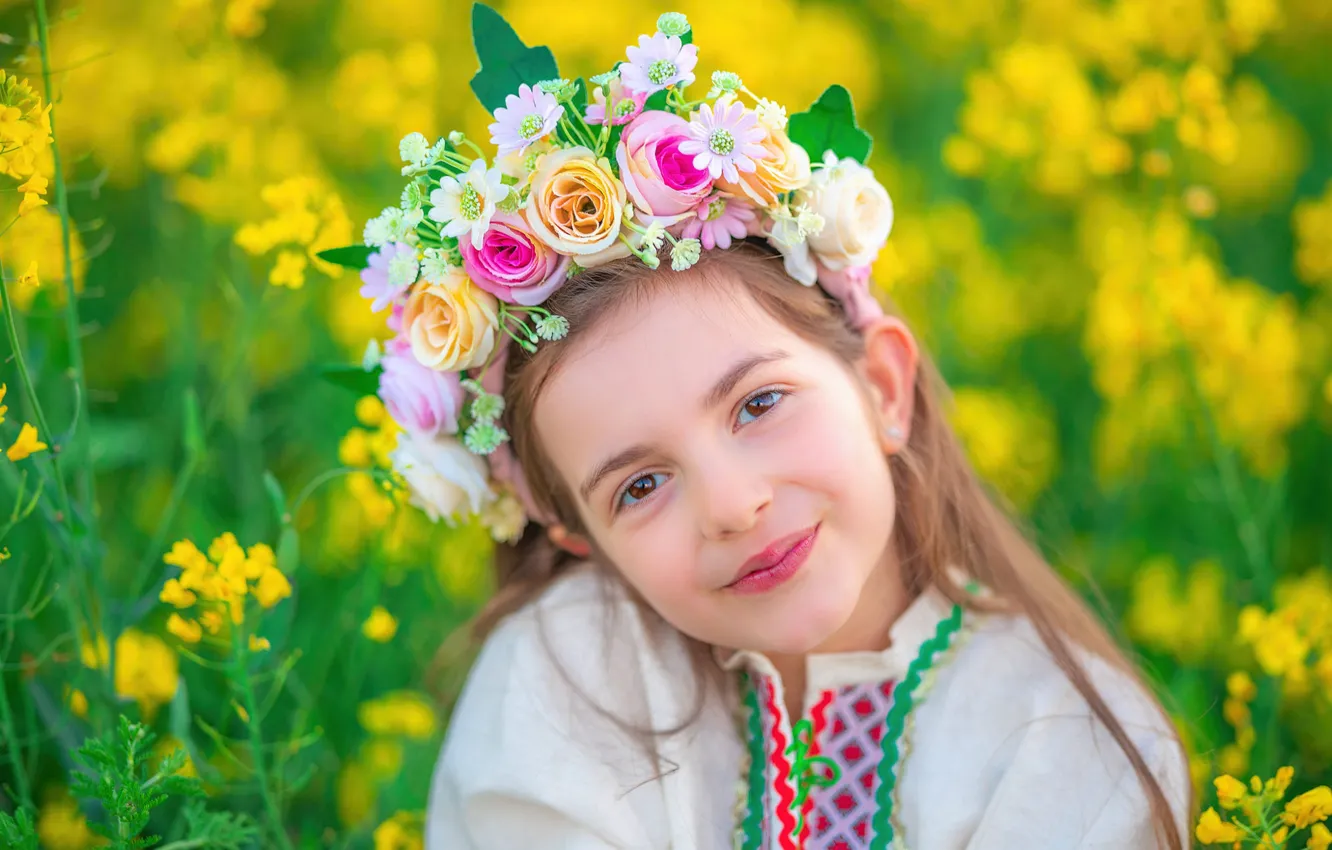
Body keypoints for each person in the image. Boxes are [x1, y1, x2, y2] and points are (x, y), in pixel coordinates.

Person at [339, 10, 1194, 848]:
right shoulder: (561, 681)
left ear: (884, 388)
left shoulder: (1061, 741)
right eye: (639, 486)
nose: (733, 505)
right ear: (577, 535)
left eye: (758, 404)